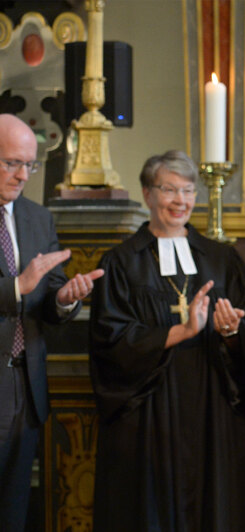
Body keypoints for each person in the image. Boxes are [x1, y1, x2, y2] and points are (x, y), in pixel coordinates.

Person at [88, 150, 245, 531]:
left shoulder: (222, 260)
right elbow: (110, 341)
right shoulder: (120, 262)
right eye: (169, 189)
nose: (181, 200)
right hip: (148, 416)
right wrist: (180, 332)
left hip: (212, 412)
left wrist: (232, 332)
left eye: (188, 190)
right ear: (147, 193)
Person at [0, 114, 103, 531]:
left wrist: (64, 299)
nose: (23, 174)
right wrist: (17, 287)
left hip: (26, 392)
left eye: (30, 164)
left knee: (14, 510)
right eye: (11, 163)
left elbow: (50, 294)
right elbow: (23, 288)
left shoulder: (38, 218)